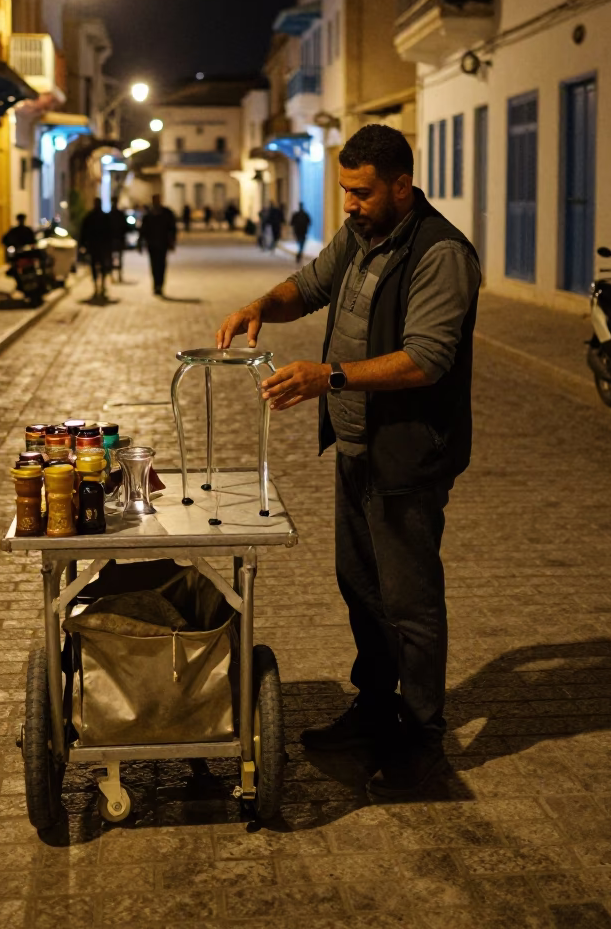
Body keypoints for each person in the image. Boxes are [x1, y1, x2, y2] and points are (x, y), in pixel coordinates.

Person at [216, 124, 480, 799]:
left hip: (409, 453)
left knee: (410, 601)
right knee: (359, 585)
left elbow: (427, 358)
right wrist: (259, 305)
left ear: (401, 185)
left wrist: (326, 378)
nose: (351, 205)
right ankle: (373, 707)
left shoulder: (440, 253)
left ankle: (420, 735)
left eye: (362, 193)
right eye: (345, 192)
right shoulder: (360, 237)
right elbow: (307, 287)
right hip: (358, 447)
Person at [138, 194, 177, 296]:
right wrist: (140, 242)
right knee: (154, 265)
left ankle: (160, 285)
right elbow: (143, 230)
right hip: (152, 244)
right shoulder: (149, 214)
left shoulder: (166, 213)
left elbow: (172, 228)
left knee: (162, 265)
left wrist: (172, 241)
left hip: (162, 244)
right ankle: (156, 284)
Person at [79, 198, 113, 298]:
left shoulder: (96, 217)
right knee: (98, 266)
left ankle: (99, 286)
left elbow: (109, 232)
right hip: (97, 246)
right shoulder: (94, 217)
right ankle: (99, 286)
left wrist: (83, 244)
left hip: (97, 246)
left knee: (98, 266)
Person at [108, 204, 128, 285]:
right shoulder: (114, 215)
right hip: (114, 239)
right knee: (114, 258)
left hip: (116, 239)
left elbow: (125, 227)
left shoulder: (116, 215)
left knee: (116, 258)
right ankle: (114, 275)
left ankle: (117, 275)